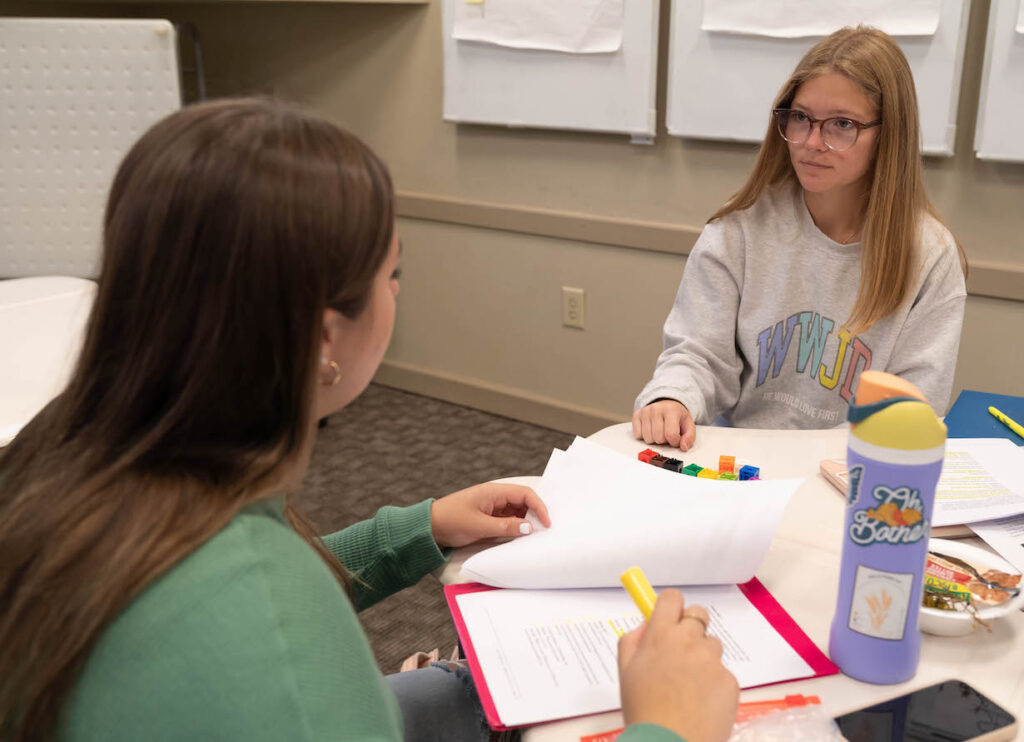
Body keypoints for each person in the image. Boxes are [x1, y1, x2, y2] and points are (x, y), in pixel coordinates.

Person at [0, 99, 738, 742]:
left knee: (470, 690)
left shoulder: (73, 453)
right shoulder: (268, 614)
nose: (397, 293)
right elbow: (269, 622)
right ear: (324, 337)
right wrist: (665, 726)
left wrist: (415, 531)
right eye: (393, 274)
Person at [633, 26, 967, 452]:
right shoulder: (740, 228)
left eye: (842, 124)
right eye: (801, 117)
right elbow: (698, 355)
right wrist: (672, 397)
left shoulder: (930, 256)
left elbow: (912, 407)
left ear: (889, 134)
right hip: (743, 461)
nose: (811, 142)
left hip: (854, 469)